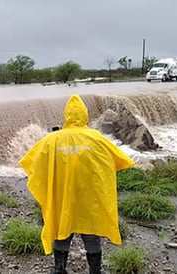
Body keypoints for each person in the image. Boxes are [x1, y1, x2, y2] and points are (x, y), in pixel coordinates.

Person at [19, 94, 135, 274]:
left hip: (63, 197)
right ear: (85, 115)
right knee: (92, 234)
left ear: (67, 116)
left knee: (61, 232)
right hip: (90, 199)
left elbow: (30, 162)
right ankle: (95, 271)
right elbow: (121, 161)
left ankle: (59, 269)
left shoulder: (52, 140)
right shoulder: (97, 138)